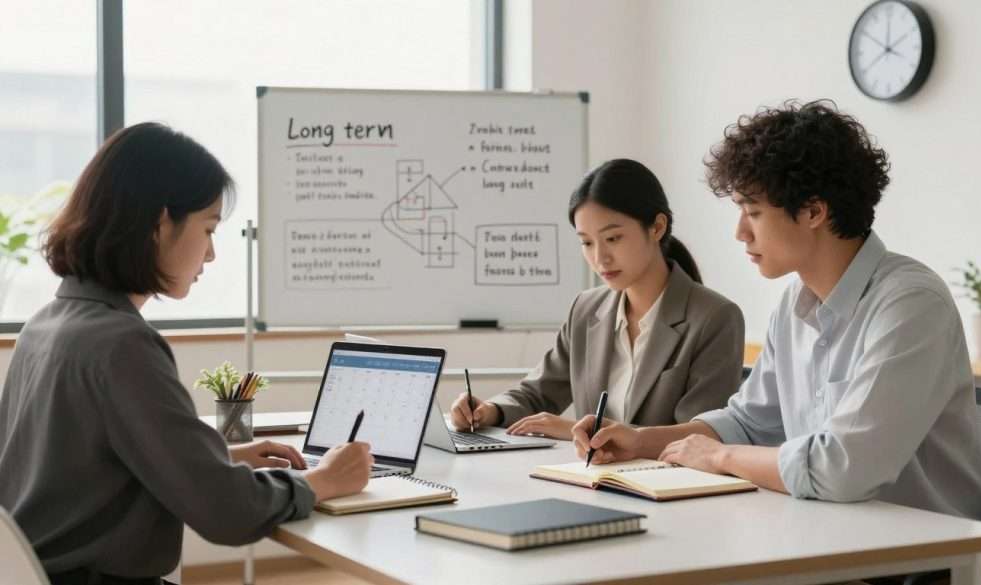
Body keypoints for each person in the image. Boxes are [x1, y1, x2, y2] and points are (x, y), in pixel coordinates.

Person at [0, 123, 374, 585]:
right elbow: (226, 512)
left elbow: (89, 469)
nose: (211, 254)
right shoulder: (122, 345)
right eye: (208, 228)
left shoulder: (49, 323)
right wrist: (324, 482)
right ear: (159, 223)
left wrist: (222, 457)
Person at [572, 101, 981, 519]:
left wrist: (719, 458)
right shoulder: (793, 304)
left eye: (753, 212)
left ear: (813, 211)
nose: (740, 232)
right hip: (822, 535)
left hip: (919, 562)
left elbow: (843, 468)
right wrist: (640, 441)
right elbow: (749, 422)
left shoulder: (910, 305)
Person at [451, 158, 745, 440]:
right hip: (589, 481)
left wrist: (577, 431)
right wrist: (490, 411)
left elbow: (699, 437)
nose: (599, 258)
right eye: (587, 242)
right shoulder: (586, 309)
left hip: (663, 486)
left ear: (657, 227)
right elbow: (538, 392)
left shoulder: (715, 317)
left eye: (613, 238)